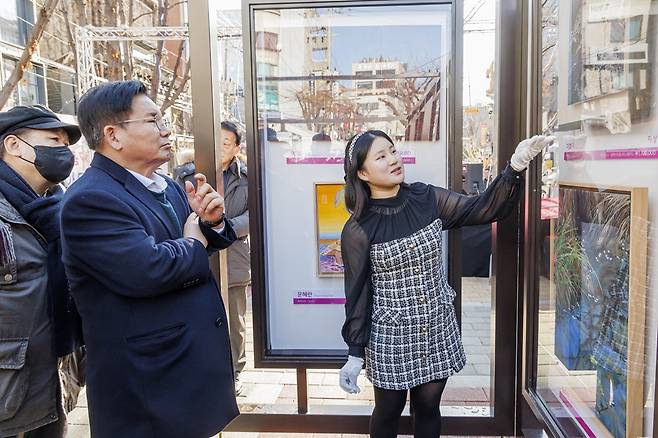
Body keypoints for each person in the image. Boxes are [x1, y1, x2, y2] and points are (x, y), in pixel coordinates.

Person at [338, 130, 554, 437]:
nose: (393, 160)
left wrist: (515, 167)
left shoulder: (425, 198)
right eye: (381, 156)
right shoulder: (358, 229)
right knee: (388, 409)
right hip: (391, 334)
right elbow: (358, 294)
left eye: (393, 150)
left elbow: (483, 208)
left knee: (428, 406)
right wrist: (355, 352)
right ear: (362, 172)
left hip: (435, 325)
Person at [59, 80, 239, 438]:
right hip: (146, 386)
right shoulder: (90, 199)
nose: (166, 129)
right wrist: (193, 238)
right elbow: (147, 269)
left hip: (181, 370)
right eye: (154, 121)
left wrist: (210, 222)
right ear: (114, 135)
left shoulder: (165, 184)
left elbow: (192, 242)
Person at [0, 105, 84, 437]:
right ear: (13, 145)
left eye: (66, 144)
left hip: (53, 379)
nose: (63, 151)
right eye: (52, 140)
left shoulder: (60, 208)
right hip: (7, 387)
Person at [220, 121, 250, 394]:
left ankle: (234, 371)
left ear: (236, 148)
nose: (219, 146)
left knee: (235, 321)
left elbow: (254, 215)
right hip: (199, 255)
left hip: (234, 255)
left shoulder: (245, 178)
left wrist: (227, 228)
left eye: (226, 142)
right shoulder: (187, 175)